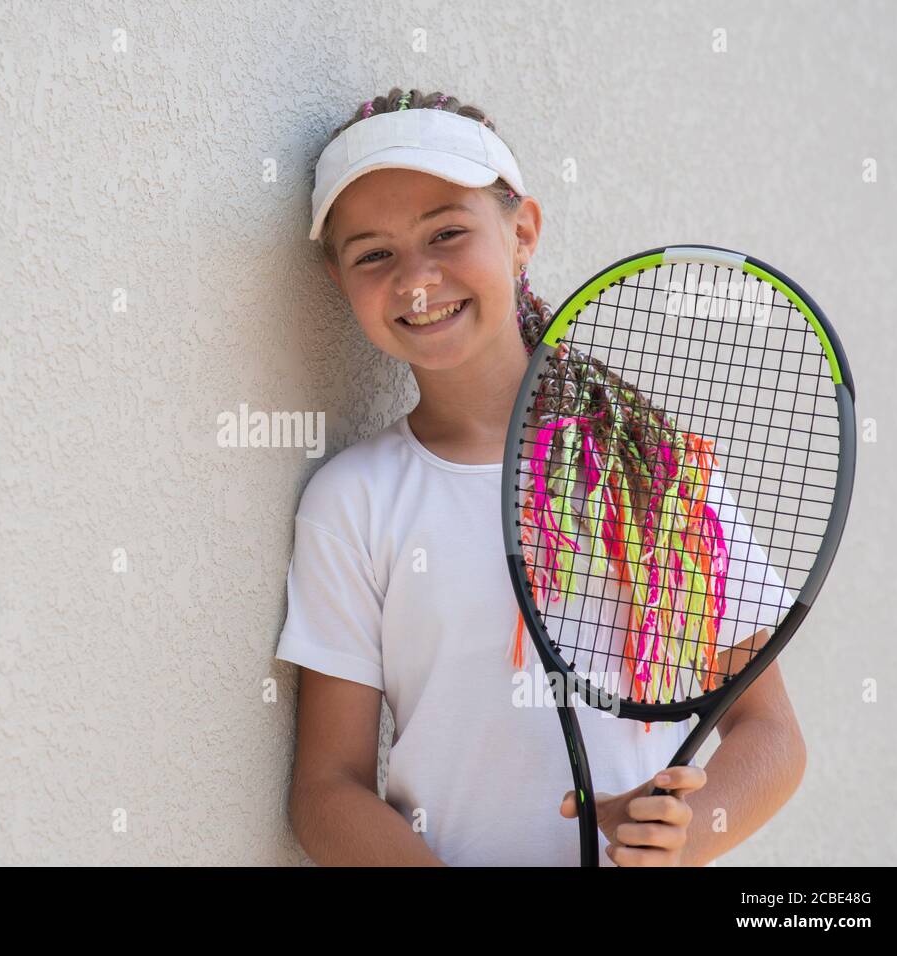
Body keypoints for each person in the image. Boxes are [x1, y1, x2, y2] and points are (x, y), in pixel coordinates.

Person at [274, 87, 807, 866]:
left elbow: (772, 734)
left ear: (522, 231)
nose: (417, 279)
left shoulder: (649, 468)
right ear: (338, 281)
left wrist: (684, 841)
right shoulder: (352, 502)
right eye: (373, 254)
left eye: (448, 232)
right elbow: (326, 790)